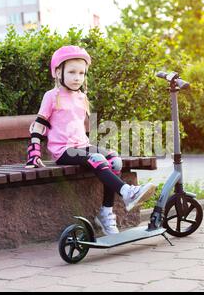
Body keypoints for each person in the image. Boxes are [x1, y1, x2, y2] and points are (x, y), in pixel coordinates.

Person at [25, 45, 156, 235]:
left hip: (82, 146)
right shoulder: (52, 96)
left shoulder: (81, 97)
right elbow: (39, 124)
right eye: (71, 72)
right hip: (63, 151)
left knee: (115, 160)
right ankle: (127, 192)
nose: (77, 77)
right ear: (57, 72)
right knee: (97, 159)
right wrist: (34, 152)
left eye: (81, 73)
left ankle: (106, 212)